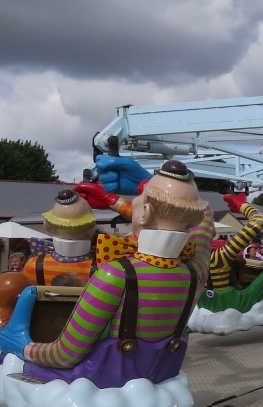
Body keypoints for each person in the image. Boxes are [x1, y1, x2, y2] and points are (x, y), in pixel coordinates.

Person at [1, 159, 214, 371]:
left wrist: (22, 346)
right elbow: (203, 217)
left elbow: (64, 355)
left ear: (145, 213)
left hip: (101, 381)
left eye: (140, 196)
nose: (134, 200)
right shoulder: (195, 272)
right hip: (159, 376)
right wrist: (146, 188)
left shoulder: (114, 275)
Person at [23, 190, 97, 285]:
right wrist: (113, 202)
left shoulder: (34, 265)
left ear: (49, 225)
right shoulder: (104, 268)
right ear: (91, 226)